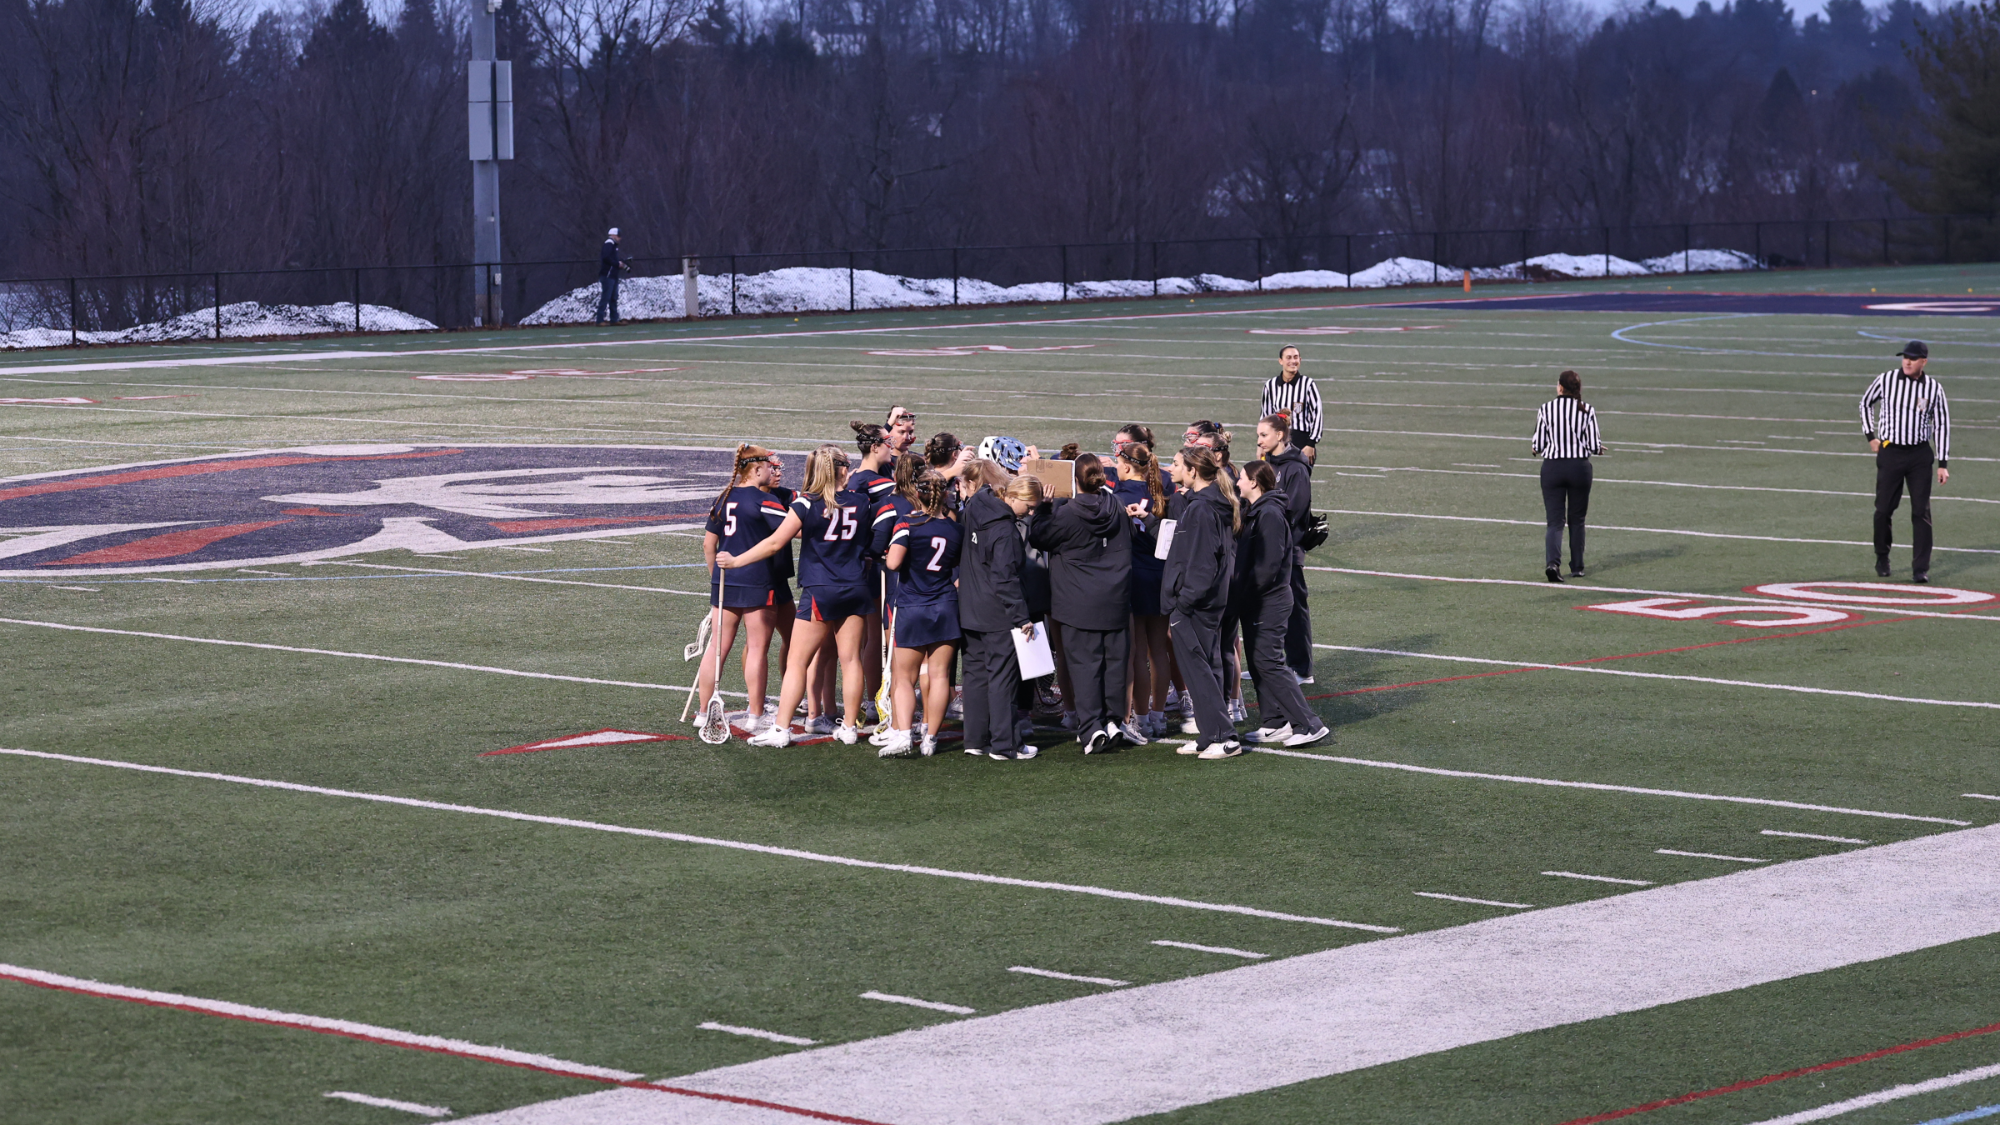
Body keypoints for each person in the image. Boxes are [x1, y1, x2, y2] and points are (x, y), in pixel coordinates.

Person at [721, 445, 873, 747]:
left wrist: (737, 560)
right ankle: (849, 728)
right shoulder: (862, 502)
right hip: (855, 587)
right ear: (842, 469)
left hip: (821, 589)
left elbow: (776, 542)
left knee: (797, 661)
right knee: (851, 659)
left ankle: (780, 730)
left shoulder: (806, 503)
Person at [1029, 453, 1143, 754]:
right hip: (1115, 599)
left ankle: (1092, 727)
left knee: (1085, 666)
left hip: (1078, 602)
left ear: (1075, 480)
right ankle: (1114, 721)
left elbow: (1039, 537)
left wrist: (1043, 508)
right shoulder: (1116, 507)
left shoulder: (1068, 513)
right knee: (1115, 665)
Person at [1234, 461, 1331, 748]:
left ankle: (1309, 724)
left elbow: (1270, 564)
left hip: (1268, 600)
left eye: (1240, 479)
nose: (1238, 483)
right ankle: (1274, 722)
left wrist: (1246, 590)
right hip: (1258, 600)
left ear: (1253, 482)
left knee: (1270, 663)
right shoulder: (1257, 510)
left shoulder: (1270, 514)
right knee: (1258, 661)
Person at [1156, 444, 1241, 760]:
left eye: (1176, 463)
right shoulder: (1206, 504)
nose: (1171, 468)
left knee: (1200, 670)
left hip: (1196, 604)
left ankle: (1225, 737)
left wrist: (1184, 603)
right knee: (1206, 668)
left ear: (1192, 471)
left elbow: (1203, 565)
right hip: (1205, 602)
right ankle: (1210, 733)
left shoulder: (1203, 509)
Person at [696, 445, 791, 728]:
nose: (773, 471)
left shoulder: (724, 497)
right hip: (757, 582)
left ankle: (702, 713)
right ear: (757, 469)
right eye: (769, 467)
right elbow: (792, 531)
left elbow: (708, 544)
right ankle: (755, 715)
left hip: (725, 583)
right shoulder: (765, 501)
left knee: (716, 648)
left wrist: (717, 579)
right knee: (758, 649)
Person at [959, 467, 1042, 761]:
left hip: (969, 609)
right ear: (1015, 496)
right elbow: (1005, 578)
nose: (1029, 514)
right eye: (1029, 507)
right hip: (997, 614)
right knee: (1002, 679)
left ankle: (974, 739)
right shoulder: (1005, 529)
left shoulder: (974, 508)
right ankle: (1004, 745)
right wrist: (1021, 617)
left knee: (975, 677)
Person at [881, 473, 961, 758]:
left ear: (919, 494)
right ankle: (931, 739)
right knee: (939, 676)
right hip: (946, 606)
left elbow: (893, 562)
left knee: (904, 677)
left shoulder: (907, 523)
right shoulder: (954, 529)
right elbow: (960, 572)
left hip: (914, 606)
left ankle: (904, 735)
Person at [1861, 341, 1951, 583]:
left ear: (1924, 361)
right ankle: (1882, 556)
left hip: (1920, 455)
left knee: (1921, 512)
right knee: (1883, 510)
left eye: (1913, 358)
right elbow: (1865, 403)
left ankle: (1920, 568)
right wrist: (1871, 436)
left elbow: (1942, 424)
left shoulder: (1933, 388)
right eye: (1905, 357)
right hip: (1891, 452)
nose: (1907, 362)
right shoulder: (1886, 379)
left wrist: (1943, 463)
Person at [1112, 443, 1171, 737]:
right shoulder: (1159, 492)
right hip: (1160, 576)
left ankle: (1141, 717)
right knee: (1159, 649)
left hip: (1133, 577)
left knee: (1136, 653)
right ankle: (1159, 714)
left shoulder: (1117, 497)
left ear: (1125, 466)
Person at [1254, 413, 1317, 683]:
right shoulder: (1269, 463)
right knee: (1268, 609)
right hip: (1268, 548)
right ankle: (1274, 662)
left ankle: (1301, 669)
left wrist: (1275, 535)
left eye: (1264, 435)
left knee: (1294, 609)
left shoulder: (1295, 468)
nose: (1259, 440)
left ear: (1280, 435)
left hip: (1288, 550)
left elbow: (1296, 510)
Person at [1531, 370, 1603, 583]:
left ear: (1560, 387)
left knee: (1554, 521)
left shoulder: (1546, 408)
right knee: (1577, 520)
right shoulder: (1586, 409)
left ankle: (1553, 564)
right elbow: (1593, 445)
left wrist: (1537, 448)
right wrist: (1598, 449)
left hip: (1553, 468)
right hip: (1579, 468)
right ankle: (1578, 567)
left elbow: (1538, 444)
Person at [1260, 346, 1323, 464]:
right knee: (1275, 480)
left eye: (1295, 357)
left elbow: (1317, 415)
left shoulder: (1308, 384)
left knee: (1299, 480)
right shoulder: (1270, 385)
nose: (1293, 361)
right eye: (1288, 357)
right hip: (1276, 440)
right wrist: (1261, 444)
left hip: (1301, 441)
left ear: (1300, 360)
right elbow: (1265, 417)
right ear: (1281, 361)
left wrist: (1311, 444)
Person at [594, 228, 629, 325]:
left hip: (613, 275)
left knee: (613, 298)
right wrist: (617, 264)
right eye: (618, 236)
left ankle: (614, 319)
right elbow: (606, 257)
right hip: (608, 275)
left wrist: (620, 262)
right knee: (606, 297)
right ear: (613, 235)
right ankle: (600, 320)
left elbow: (612, 258)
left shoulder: (613, 246)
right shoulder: (609, 244)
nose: (620, 238)